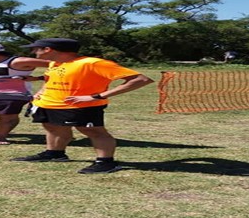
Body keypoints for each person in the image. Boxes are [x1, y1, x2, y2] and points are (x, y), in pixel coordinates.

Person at [10, 38, 154, 174]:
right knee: (52, 127)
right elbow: (60, 75)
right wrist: (37, 80)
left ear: (48, 49)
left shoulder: (92, 63)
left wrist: (97, 96)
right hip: (49, 103)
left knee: (94, 132)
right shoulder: (55, 63)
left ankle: (106, 162)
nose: (34, 53)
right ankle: (54, 153)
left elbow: (141, 79)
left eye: (36, 49)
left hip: (81, 105)